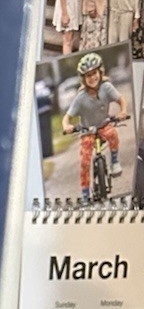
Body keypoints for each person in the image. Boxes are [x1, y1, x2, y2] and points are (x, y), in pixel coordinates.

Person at [62, 51, 129, 200]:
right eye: (88, 75)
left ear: (100, 72)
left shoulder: (107, 87)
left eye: (94, 73)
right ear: (83, 79)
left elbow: (121, 99)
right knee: (85, 161)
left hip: (103, 125)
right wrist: (67, 126)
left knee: (112, 134)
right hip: (87, 131)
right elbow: (67, 117)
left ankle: (115, 161)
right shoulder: (80, 97)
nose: (92, 78)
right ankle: (86, 194)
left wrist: (123, 111)